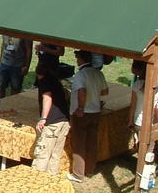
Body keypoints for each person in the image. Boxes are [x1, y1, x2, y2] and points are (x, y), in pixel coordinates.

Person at [68, 50, 108, 183]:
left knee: (79, 143)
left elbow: (82, 91)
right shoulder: (98, 73)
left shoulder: (81, 74)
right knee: (91, 142)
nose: (76, 60)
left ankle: (78, 174)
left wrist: (80, 107)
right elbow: (105, 91)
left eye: (77, 57)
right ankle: (90, 169)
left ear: (81, 59)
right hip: (95, 111)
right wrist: (94, 95)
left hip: (82, 113)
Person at [32, 62, 71, 176]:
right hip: (63, 121)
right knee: (55, 154)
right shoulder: (56, 81)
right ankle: (51, 178)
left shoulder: (45, 81)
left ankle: (36, 180)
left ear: (38, 74)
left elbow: (47, 98)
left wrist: (43, 118)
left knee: (42, 154)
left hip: (52, 123)